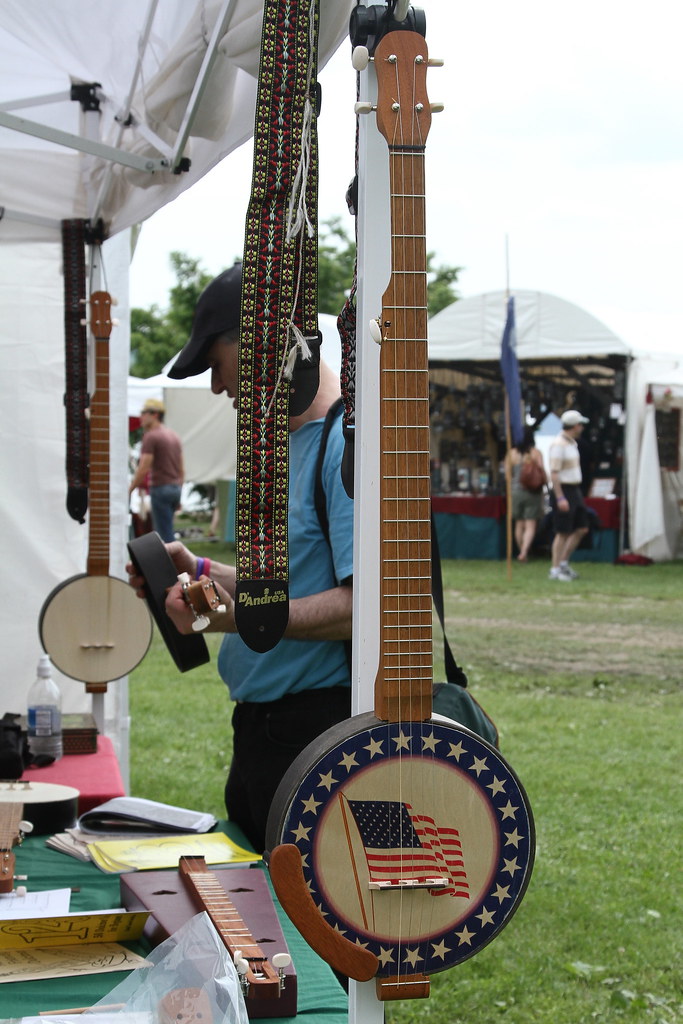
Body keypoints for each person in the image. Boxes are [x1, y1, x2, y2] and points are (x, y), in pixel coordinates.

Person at [127, 265, 354, 853]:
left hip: (315, 736)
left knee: (307, 934)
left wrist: (239, 617)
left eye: (216, 364)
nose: (216, 388)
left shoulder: (346, 448)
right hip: (264, 733)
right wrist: (199, 571)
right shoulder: (285, 446)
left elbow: (369, 609)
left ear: (262, 342)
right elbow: (281, 585)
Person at [129, 399, 184, 543]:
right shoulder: (174, 436)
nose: (141, 417)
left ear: (154, 414)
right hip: (175, 488)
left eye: (143, 413)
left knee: (164, 536)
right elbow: (181, 468)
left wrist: (129, 489)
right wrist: (180, 491)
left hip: (161, 488)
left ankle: (173, 564)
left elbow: (143, 468)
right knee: (168, 529)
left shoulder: (151, 437)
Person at [548, 409, 590, 581]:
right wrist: (559, 497)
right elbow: (554, 472)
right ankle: (555, 568)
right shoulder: (558, 444)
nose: (582, 428)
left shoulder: (572, 443)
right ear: (574, 426)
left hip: (574, 489)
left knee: (582, 527)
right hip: (564, 489)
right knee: (562, 531)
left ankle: (563, 563)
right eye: (580, 424)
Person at [506, 426, 546, 562]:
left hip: (515, 492)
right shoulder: (535, 453)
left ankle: (521, 551)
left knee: (519, 523)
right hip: (532, 491)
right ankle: (524, 552)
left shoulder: (511, 454)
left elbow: (507, 475)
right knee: (530, 524)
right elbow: (541, 471)